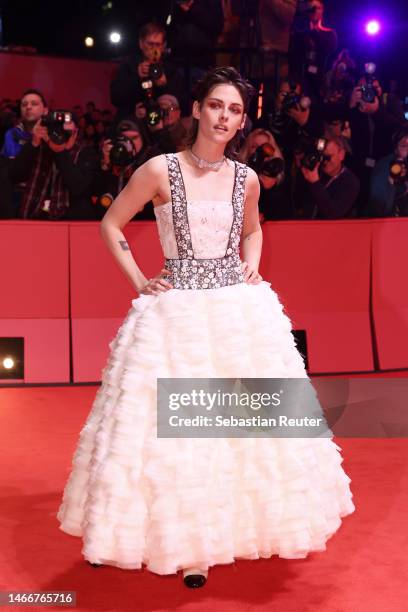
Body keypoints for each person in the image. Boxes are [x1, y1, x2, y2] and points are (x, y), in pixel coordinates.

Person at [57, 66, 355, 588]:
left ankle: (228, 533)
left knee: (235, 430)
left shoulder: (247, 179)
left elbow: (255, 230)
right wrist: (138, 279)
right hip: (176, 312)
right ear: (197, 109)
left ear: (243, 121)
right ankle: (188, 543)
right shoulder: (159, 169)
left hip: (238, 311)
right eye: (216, 105)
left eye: (235, 110)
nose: (224, 117)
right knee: (177, 434)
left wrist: (252, 264)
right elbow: (111, 223)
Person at [300, 135, 360, 219]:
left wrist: (315, 183)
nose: (324, 162)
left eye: (328, 157)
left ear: (341, 154)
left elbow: (332, 213)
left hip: (331, 229)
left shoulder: (351, 182)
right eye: (321, 157)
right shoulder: (315, 171)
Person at [368, 126, 408, 217]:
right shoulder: (384, 166)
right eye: (403, 145)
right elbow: (380, 209)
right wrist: (392, 183)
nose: (406, 144)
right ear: (396, 145)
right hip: (390, 221)